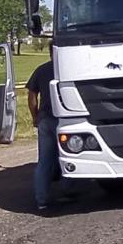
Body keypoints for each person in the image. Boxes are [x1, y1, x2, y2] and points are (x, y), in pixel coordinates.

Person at [29, 44, 74, 210]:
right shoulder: (69, 68)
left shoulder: (41, 70)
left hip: (45, 120)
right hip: (65, 119)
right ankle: (67, 190)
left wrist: (35, 116)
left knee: (44, 161)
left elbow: (32, 95)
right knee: (70, 155)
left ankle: (41, 198)